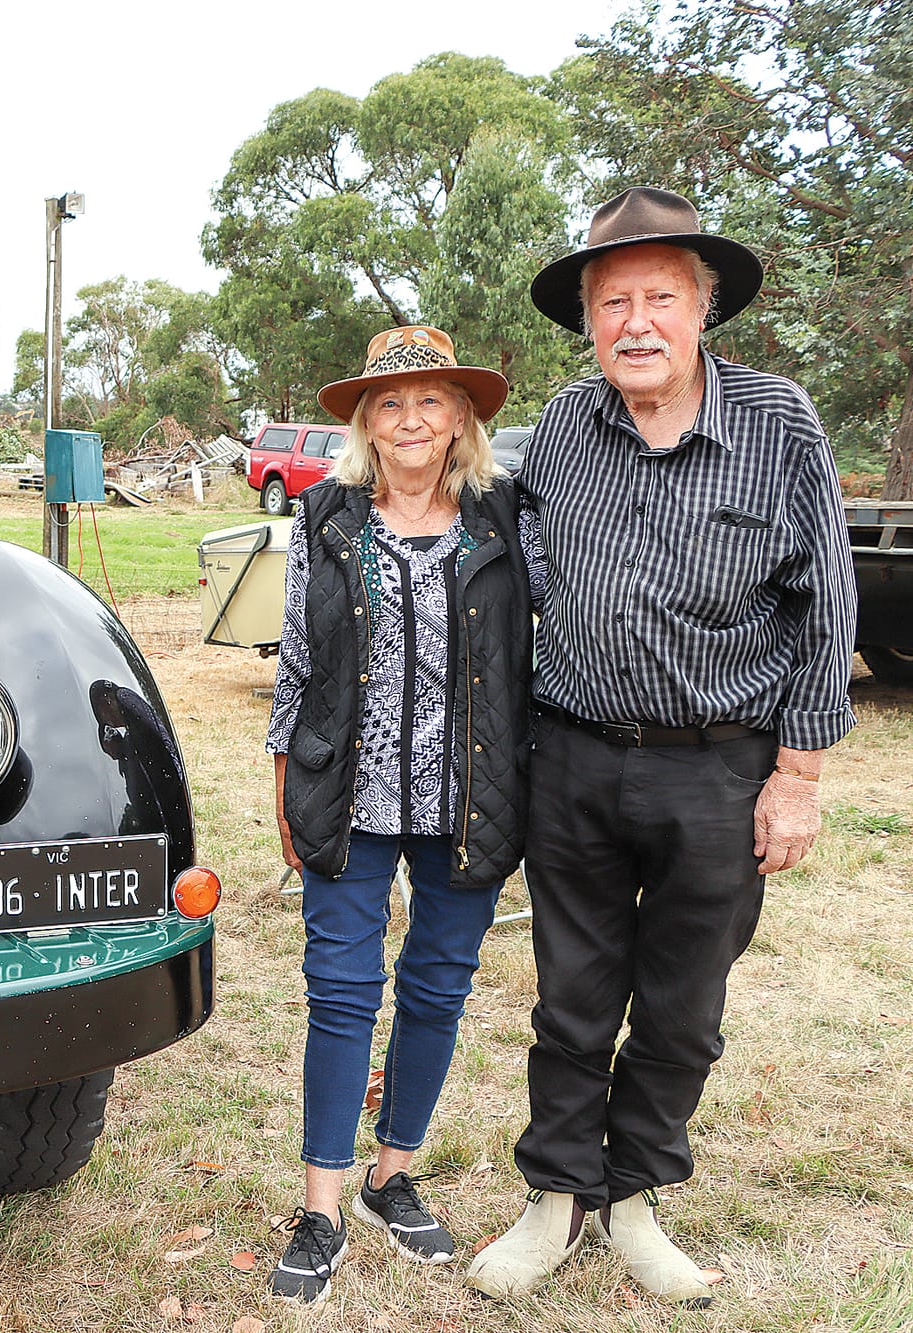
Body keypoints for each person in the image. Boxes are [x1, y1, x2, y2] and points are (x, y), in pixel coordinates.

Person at [465, 188, 859, 1306]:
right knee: (569, 997)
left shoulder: (778, 420)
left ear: (702, 308)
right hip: (574, 757)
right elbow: (486, 552)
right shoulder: (560, 430)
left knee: (682, 1004)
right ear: (588, 322)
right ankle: (554, 1195)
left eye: (659, 297)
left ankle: (631, 1193)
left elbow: (827, 605)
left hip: (719, 770)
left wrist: (796, 776)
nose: (634, 322)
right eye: (610, 302)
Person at [264, 326, 538, 1305]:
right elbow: (296, 655)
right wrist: (281, 782)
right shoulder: (327, 516)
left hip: (470, 794)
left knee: (434, 987)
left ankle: (391, 1174)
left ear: (460, 416)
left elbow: (545, 639)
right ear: (363, 423)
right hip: (349, 790)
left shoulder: (503, 516)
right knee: (340, 991)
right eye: (389, 403)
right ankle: (321, 1207)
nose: (410, 418)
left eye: (430, 400)